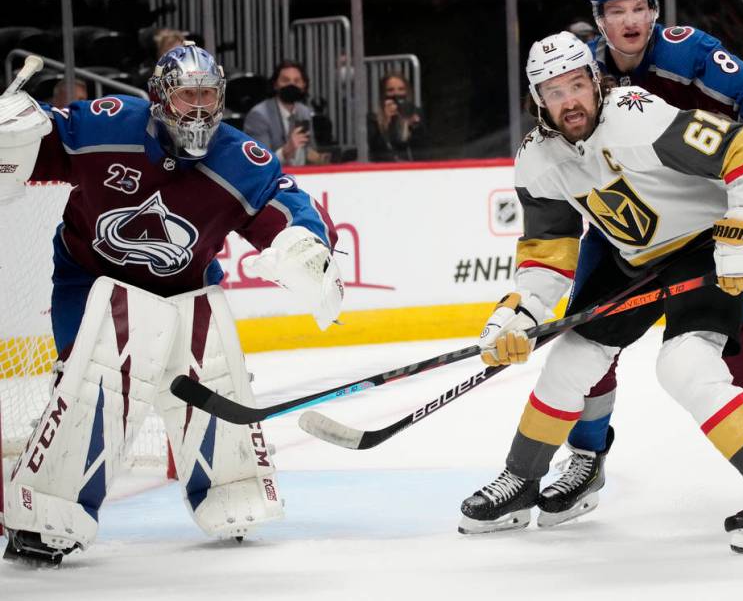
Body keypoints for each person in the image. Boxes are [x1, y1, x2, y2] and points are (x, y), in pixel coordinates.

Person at [459, 31, 743, 554]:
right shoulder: (537, 161)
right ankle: (521, 482)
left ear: (595, 80)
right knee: (570, 360)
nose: (570, 101)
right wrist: (517, 313)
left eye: (577, 84)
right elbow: (547, 251)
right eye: (555, 92)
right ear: (538, 99)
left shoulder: (638, 117)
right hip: (633, 259)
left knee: (685, 364)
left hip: (700, 245)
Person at [0, 44, 344, 566]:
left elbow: (287, 203)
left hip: (183, 292)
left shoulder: (238, 159)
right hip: (91, 282)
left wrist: (307, 243)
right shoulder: (108, 124)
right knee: (94, 382)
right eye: (189, 96)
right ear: (161, 96)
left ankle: (232, 488)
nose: (201, 109)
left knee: (212, 381)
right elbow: (43, 139)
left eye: (210, 96)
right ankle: (48, 513)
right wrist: (16, 131)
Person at [534, 0, 743, 528]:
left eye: (639, 8)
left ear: (655, 10)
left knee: (730, 337)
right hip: (622, 226)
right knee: (587, 332)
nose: (630, 21)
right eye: (616, 10)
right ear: (598, 19)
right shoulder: (582, 69)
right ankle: (586, 458)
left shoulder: (689, 53)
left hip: (700, 221)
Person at [244, 60, 327, 166]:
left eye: (297, 81)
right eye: (285, 80)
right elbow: (259, 162)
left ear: (304, 86)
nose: (291, 85)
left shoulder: (304, 112)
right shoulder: (259, 115)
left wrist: (320, 158)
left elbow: (308, 150)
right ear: (275, 85)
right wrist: (287, 150)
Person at [367, 72, 427, 162]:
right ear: (383, 93)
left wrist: (414, 127)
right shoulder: (373, 117)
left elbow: (423, 148)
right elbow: (376, 151)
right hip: (385, 168)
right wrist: (385, 123)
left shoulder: (415, 112)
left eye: (401, 89)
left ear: (407, 91)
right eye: (390, 90)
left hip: (412, 166)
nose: (396, 93)